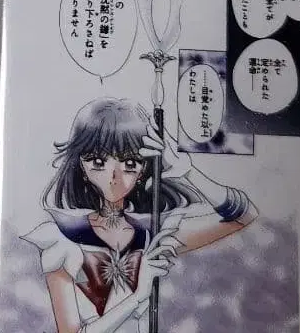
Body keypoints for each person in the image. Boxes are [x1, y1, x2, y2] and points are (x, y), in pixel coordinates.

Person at [25, 98, 257, 333]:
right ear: (81, 166)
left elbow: (244, 215)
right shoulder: (63, 240)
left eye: (129, 163)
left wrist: (188, 172)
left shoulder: (153, 233)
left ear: (143, 168)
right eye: (98, 161)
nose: (114, 176)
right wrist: (137, 297)